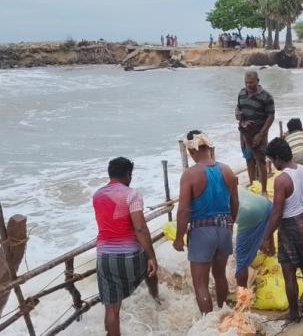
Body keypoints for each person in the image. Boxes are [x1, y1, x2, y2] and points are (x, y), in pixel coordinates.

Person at [172, 131, 239, 315]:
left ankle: (209, 325)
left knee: (200, 283)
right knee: (220, 275)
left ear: (191, 152)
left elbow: (183, 210)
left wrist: (179, 238)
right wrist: (230, 224)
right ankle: (223, 314)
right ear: (209, 148)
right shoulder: (227, 171)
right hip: (224, 228)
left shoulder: (190, 175)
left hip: (202, 231)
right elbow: (235, 203)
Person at [93, 157, 159, 336]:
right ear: (128, 174)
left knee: (112, 310)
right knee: (150, 268)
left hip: (104, 257)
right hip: (129, 256)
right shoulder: (132, 194)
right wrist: (152, 256)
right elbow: (139, 228)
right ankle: (157, 301)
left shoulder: (97, 195)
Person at [261, 138, 303, 321]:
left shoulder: (282, 180)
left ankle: (294, 312)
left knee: (289, 273)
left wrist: (266, 236)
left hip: (290, 225)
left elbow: (277, 214)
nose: (273, 165)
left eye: (272, 161)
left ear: (278, 158)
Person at [236, 71, 275, 196]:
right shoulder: (241, 93)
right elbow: (238, 108)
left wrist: (261, 134)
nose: (248, 85)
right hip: (245, 134)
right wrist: (238, 115)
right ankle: (253, 186)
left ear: (258, 81)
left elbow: (271, 116)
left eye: (251, 82)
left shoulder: (266, 96)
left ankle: (263, 191)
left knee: (260, 160)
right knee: (249, 160)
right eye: (246, 83)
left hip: (259, 134)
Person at [234, 188, 272, 288]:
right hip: (266, 204)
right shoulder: (222, 180)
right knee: (261, 230)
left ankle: (243, 298)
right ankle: (270, 251)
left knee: (241, 262)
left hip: (248, 213)